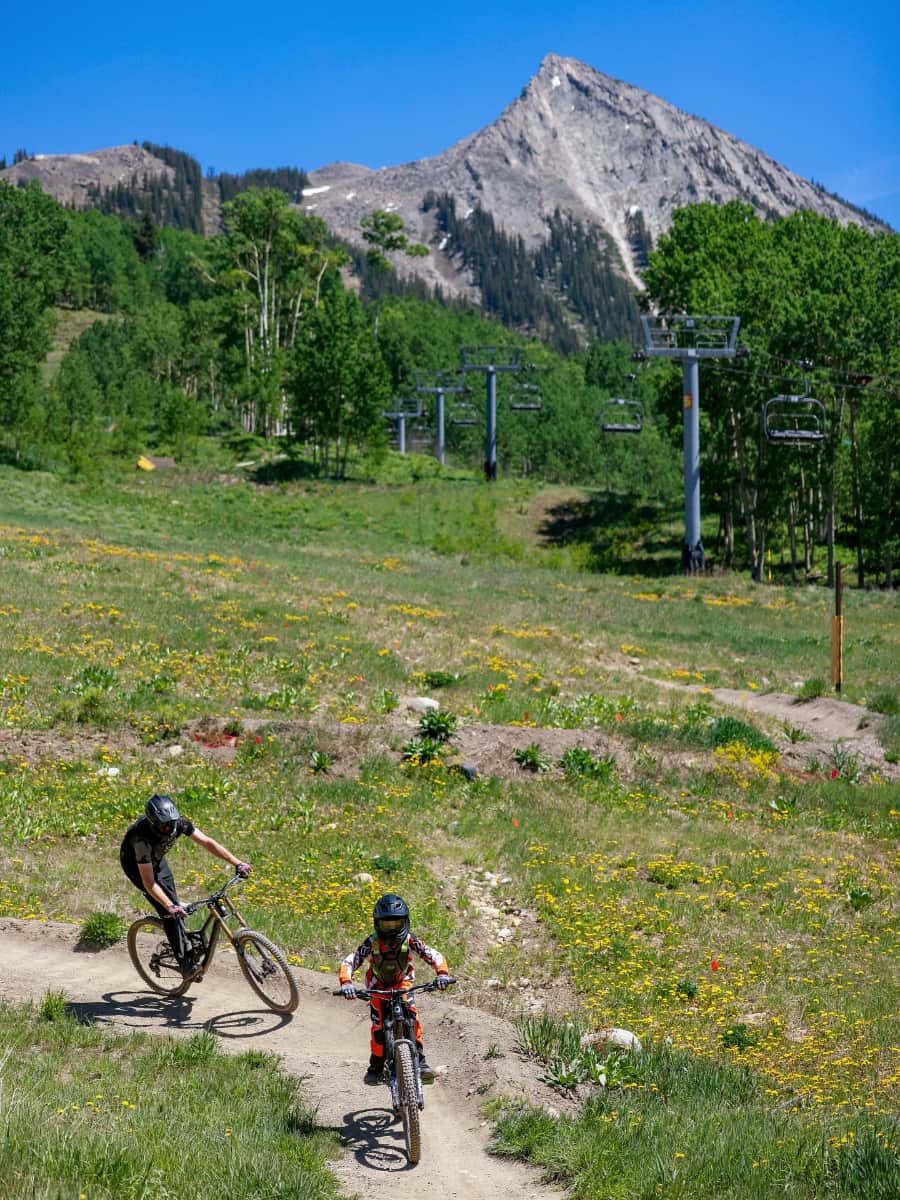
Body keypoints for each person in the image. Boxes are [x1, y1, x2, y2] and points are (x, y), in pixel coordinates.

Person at [120, 793, 251, 977]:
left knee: (173, 903)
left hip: (157, 859)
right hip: (137, 866)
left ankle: (180, 925)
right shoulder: (141, 838)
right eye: (164, 826)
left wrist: (237, 863)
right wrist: (169, 906)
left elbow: (207, 842)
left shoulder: (178, 823)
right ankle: (185, 964)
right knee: (169, 912)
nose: (169, 828)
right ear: (153, 823)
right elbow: (149, 882)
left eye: (172, 824)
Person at [338, 892, 451, 1085]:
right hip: (377, 987)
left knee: (413, 1017)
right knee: (378, 1028)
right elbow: (351, 961)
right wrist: (346, 983)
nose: (391, 930)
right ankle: (375, 1066)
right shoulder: (372, 942)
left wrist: (442, 974)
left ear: (405, 922)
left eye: (396, 924)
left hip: (402, 983)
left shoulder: (410, 940)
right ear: (377, 923)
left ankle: (421, 1062)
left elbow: (433, 955)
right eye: (386, 924)